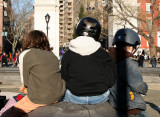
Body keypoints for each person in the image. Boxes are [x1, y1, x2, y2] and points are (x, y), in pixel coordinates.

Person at [1, 30, 66, 117]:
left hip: (39, 98)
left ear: (28, 40)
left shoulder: (25, 54)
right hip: (58, 95)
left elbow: (25, 82)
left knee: (6, 114)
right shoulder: (52, 54)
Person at [61, 17, 116, 104]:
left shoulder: (68, 54)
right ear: (97, 33)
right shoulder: (104, 54)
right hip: (100, 96)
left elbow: (64, 76)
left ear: (78, 30)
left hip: (75, 96)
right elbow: (111, 79)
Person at [108, 28, 148, 117]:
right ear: (131, 47)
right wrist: (145, 87)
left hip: (115, 104)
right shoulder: (129, 62)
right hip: (132, 106)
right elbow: (137, 85)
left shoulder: (109, 61)